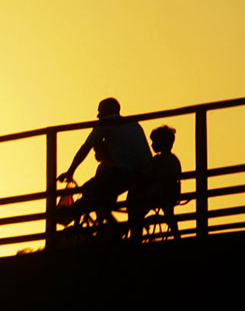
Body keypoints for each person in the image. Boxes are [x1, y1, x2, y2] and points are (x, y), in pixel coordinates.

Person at [57, 97, 152, 236]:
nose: (98, 115)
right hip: (145, 171)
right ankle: (110, 225)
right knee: (101, 193)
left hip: (126, 173)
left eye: (100, 111)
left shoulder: (106, 123)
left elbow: (86, 147)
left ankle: (72, 214)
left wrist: (70, 171)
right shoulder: (133, 123)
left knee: (90, 189)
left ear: (108, 111)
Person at [129, 125, 182, 240]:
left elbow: (147, 174)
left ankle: (135, 238)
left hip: (157, 194)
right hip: (171, 193)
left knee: (137, 213)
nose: (152, 145)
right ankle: (176, 234)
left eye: (155, 141)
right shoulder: (174, 160)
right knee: (169, 214)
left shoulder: (158, 160)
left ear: (163, 143)